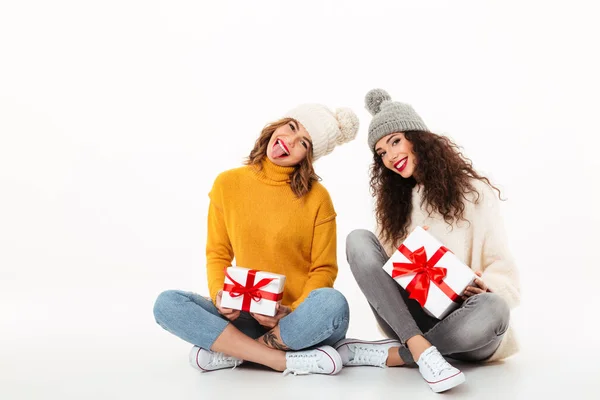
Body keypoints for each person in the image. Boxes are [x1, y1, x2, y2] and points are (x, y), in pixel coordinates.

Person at [154, 103, 359, 376]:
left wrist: (289, 311)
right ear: (278, 125)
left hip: (295, 321)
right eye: (291, 127)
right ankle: (278, 359)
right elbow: (218, 253)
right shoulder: (227, 184)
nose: (289, 140)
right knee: (167, 304)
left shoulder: (317, 197)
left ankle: (236, 352)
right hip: (243, 315)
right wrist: (219, 297)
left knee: (333, 304)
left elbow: (323, 270)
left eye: (303, 143)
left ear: (307, 157)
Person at [336, 89, 520, 392]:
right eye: (381, 152)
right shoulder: (394, 204)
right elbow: (387, 277)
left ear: (417, 137)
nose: (391, 156)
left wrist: (486, 284)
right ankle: (419, 346)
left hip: (467, 322)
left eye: (395, 141)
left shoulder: (474, 192)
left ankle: (404, 354)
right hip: (413, 318)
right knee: (358, 239)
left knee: (494, 308)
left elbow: (504, 270)